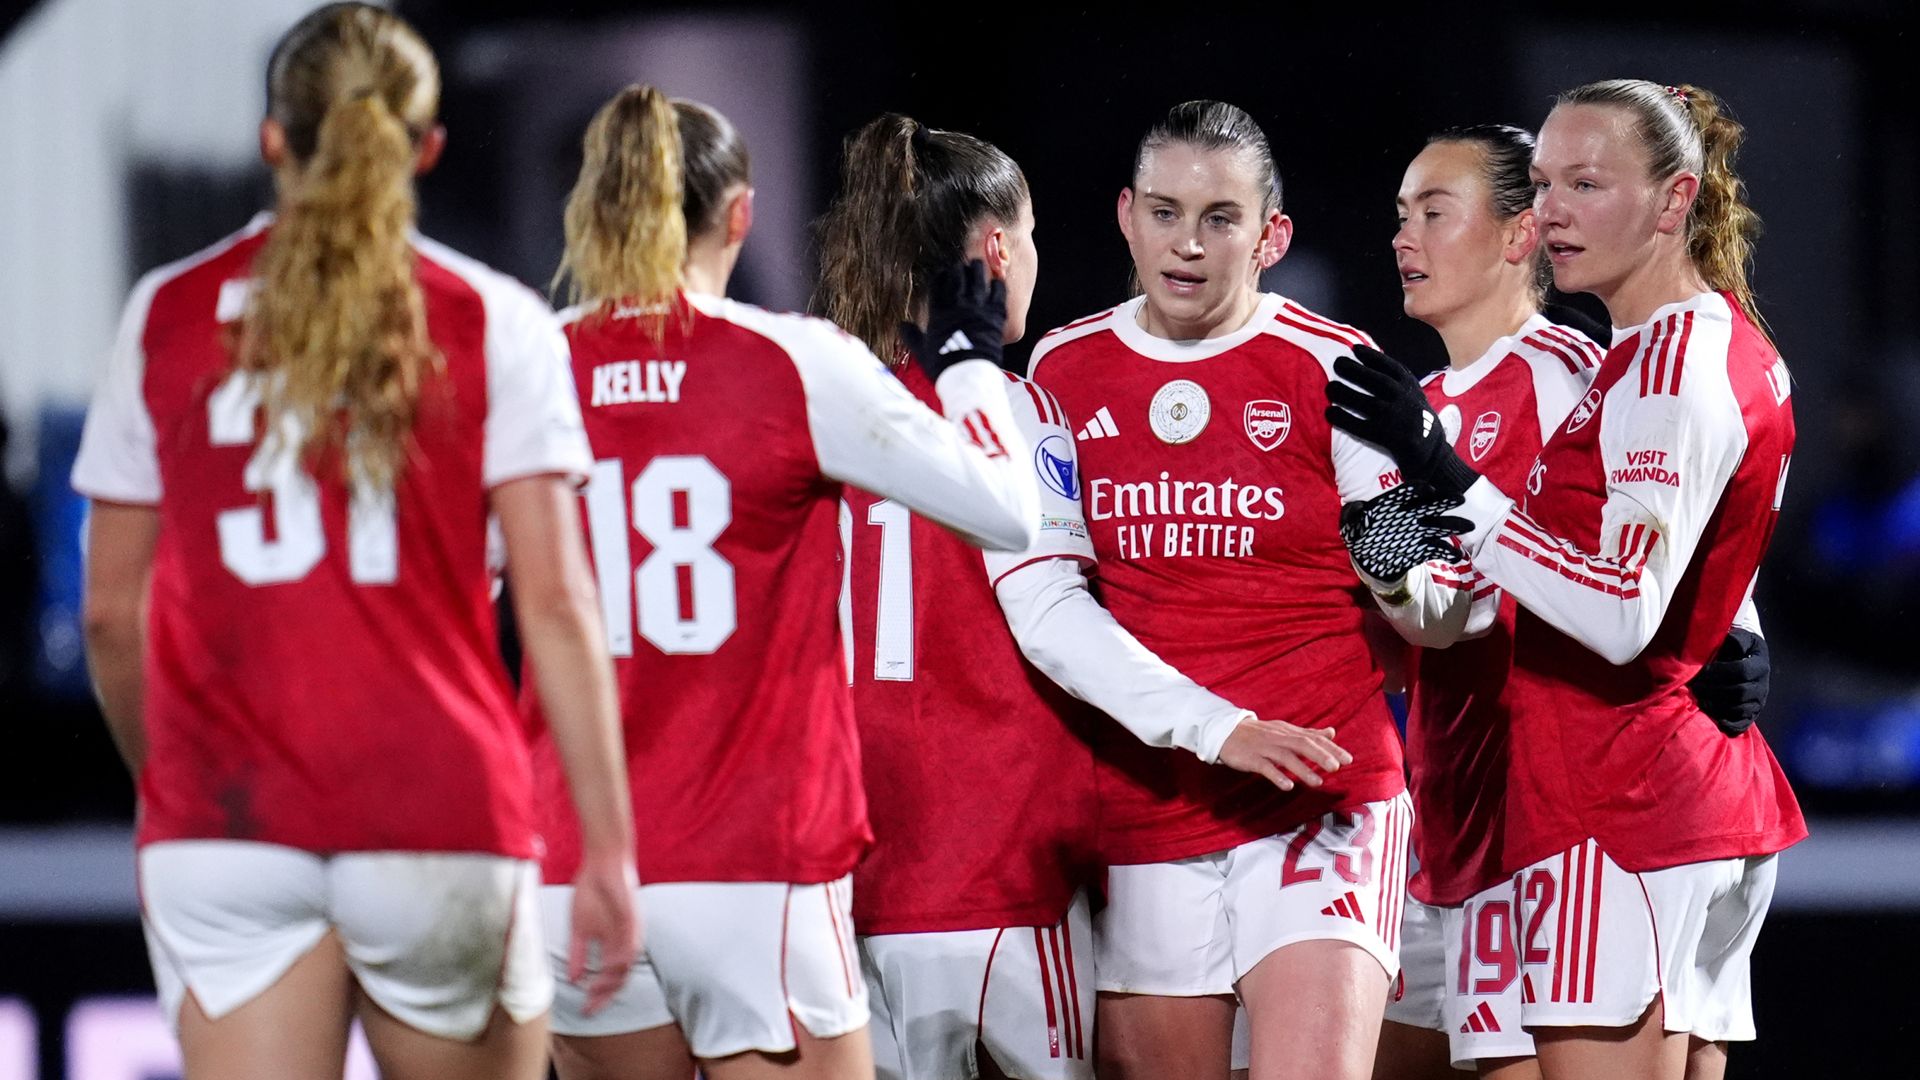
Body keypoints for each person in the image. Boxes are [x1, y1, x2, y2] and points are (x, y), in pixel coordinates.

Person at [71, 6, 639, 1079]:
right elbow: (557, 604)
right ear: (425, 147)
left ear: (271, 139)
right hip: (436, 810)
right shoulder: (491, 318)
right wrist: (607, 845)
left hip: (228, 821)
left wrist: (173, 781)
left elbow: (109, 613)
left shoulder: (165, 313)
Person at [812, 114, 1345, 1080]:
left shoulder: (823, 411)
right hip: (998, 873)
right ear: (997, 251)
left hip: (851, 885)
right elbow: (1051, 613)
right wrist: (1215, 724)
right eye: (1030, 236)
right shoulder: (1011, 408)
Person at [531, 87, 1043, 1080]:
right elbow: (1003, 509)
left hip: (574, 862)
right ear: (739, 216)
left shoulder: (534, 364)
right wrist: (971, 365)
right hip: (749, 862)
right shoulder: (792, 362)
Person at [1327, 80, 1805, 1080]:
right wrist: (1388, 560)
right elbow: (1465, 595)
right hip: (1478, 800)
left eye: (1436, 211)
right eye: (1401, 213)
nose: (1405, 237)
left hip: (1592, 796)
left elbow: (1645, 556)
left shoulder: (1584, 367)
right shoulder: (1435, 398)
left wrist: (1735, 632)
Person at [1025, 100, 1412, 1080]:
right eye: (1164, 213)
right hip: (1147, 797)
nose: (1187, 244)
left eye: (1220, 218)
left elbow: (1420, 593)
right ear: (1126, 215)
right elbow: (1051, 604)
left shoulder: (1336, 364)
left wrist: (1412, 577)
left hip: (1320, 787)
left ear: (1271, 236)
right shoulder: (1062, 368)